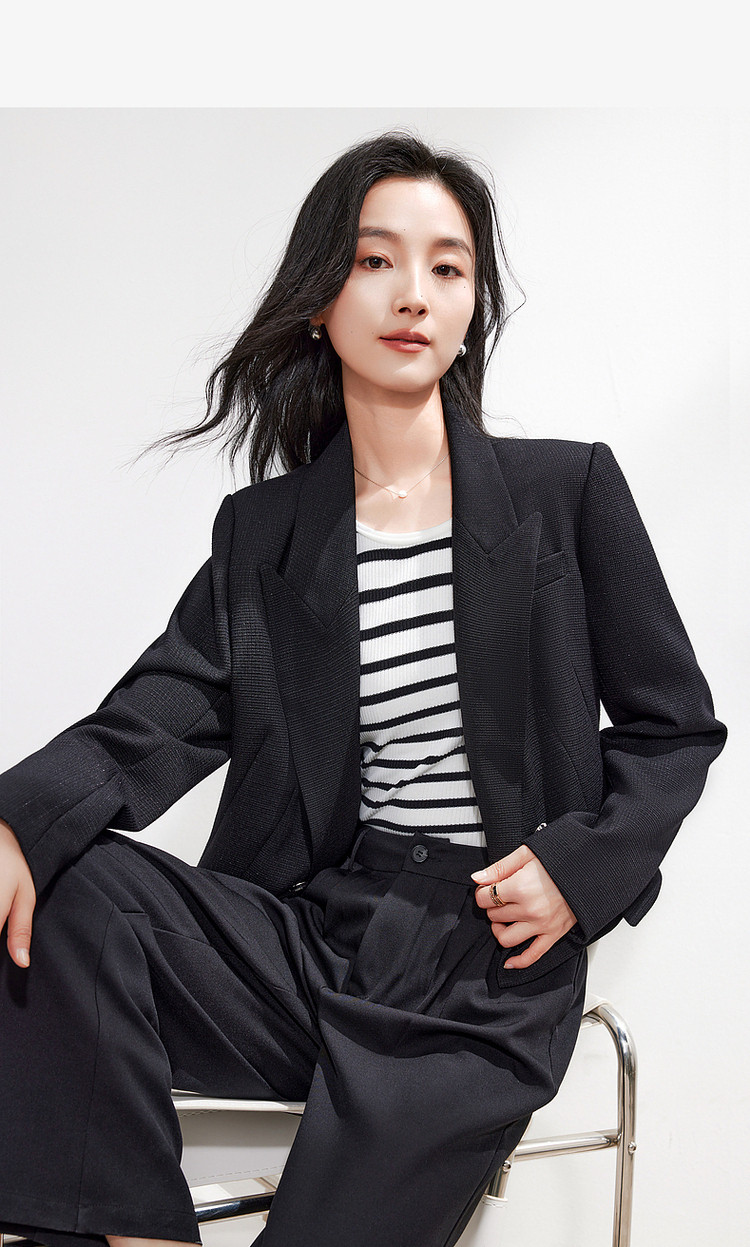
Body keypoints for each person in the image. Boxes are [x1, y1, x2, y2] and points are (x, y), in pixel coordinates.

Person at [0, 130, 727, 1247]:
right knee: (65, 879)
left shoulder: (565, 489)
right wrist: (16, 821)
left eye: (448, 266)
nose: (413, 293)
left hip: (486, 962)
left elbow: (674, 727)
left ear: (472, 304)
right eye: (376, 259)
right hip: (318, 934)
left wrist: (578, 871)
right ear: (319, 299)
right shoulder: (267, 534)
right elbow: (153, 718)